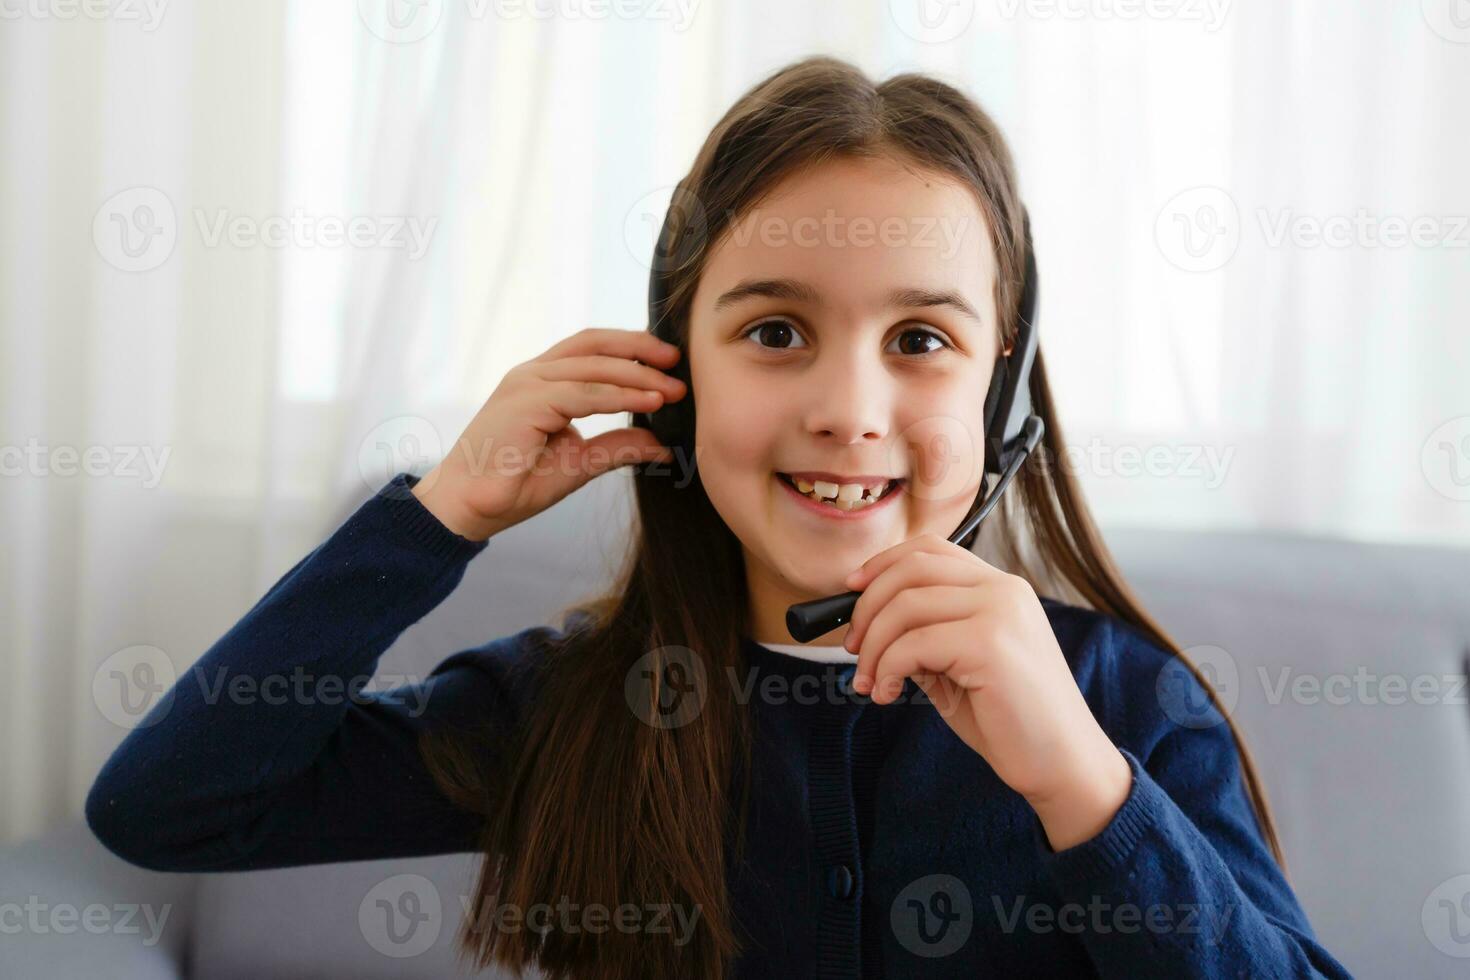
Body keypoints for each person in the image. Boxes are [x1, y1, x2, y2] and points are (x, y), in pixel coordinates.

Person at [86, 55, 1352, 979]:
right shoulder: (582, 699)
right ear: (677, 374)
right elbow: (166, 805)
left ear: (1001, 390)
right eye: (775, 331)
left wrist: (1083, 783)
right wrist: (440, 515)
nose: (850, 408)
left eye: (920, 338)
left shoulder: (1120, 705)